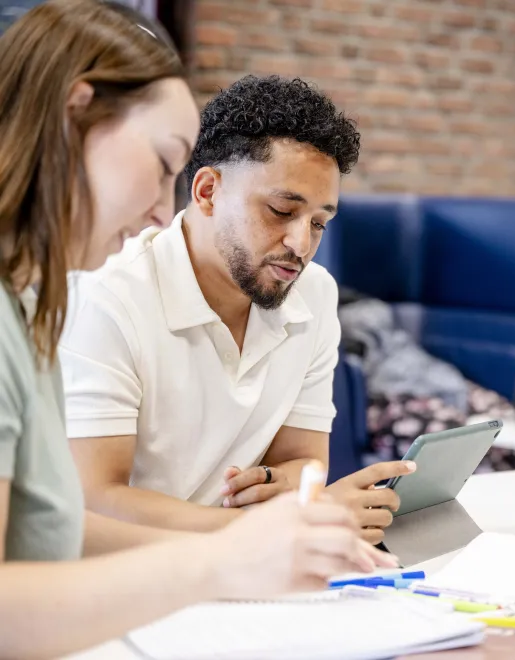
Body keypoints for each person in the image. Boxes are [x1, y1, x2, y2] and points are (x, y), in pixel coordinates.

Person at [0, 2, 393, 657]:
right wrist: (221, 558)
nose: (161, 207)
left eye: (320, 221)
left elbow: (60, 525)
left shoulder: (29, 302)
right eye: (160, 164)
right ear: (75, 115)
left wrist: (262, 540)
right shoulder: (84, 296)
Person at [60, 73, 413, 542]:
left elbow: (304, 462)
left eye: (319, 222)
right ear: (207, 192)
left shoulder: (314, 294)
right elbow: (96, 501)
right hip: (127, 578)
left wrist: (283, 490)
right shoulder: (108, 297)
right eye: (282, 211)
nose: (301, 244)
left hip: (245, 570)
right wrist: (283, 524)